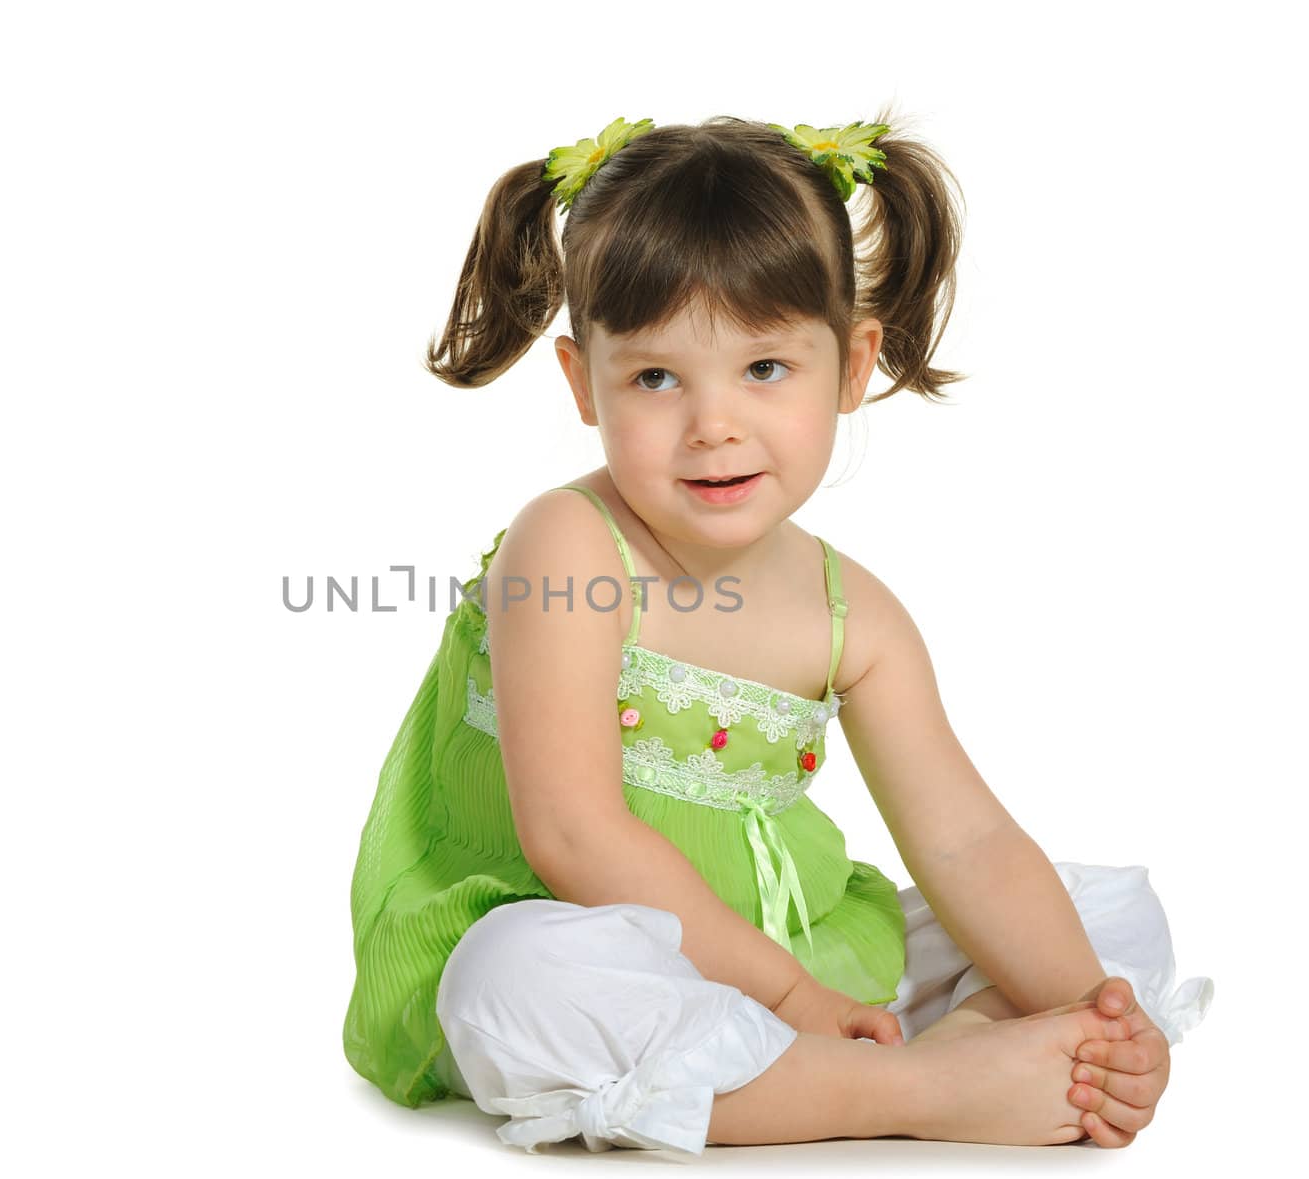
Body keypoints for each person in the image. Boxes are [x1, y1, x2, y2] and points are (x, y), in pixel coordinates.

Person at [341, 108, 1213, 1157]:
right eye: (656, 377)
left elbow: (965, 840)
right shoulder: (567, 547)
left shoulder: (854, 615)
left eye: (764, 370)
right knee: (513, 979)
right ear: (584, 384)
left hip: (793, 955)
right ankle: (915, 1090)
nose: (713, 424)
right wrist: (789, 995)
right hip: (613, 945)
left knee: (1103, 919)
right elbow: (572, 836)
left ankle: (1008, 1054)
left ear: (850, 367)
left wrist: (1098, 1013)